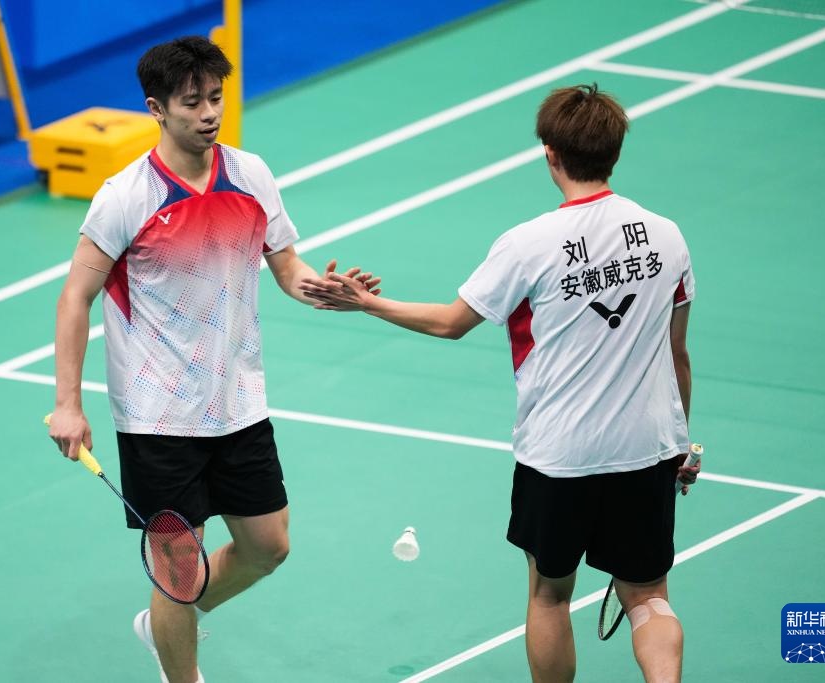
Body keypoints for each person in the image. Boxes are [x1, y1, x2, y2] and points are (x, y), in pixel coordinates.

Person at [299, 84, 701, 683]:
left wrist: (368, 303)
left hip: (559, 457)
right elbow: (677, 355)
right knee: (648, 597)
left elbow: (451, 322)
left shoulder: (528, 243)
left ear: (550, 154)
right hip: (646, 450)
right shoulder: (666, 236)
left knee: (550, 596)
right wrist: (681, 447)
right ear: (615, 152)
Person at [46, 36, 376, 683]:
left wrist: (325, 289)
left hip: (237, 402)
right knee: (178, 573)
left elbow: (287, 265)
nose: (209, 113)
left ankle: (167, 624)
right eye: (192, 102)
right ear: (156, 108)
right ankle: (182, 664)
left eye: (216, 98)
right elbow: (74, 297)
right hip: (157, 416)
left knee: (268, 547)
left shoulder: (250, 176)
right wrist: (67, 404)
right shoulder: (125, 197)